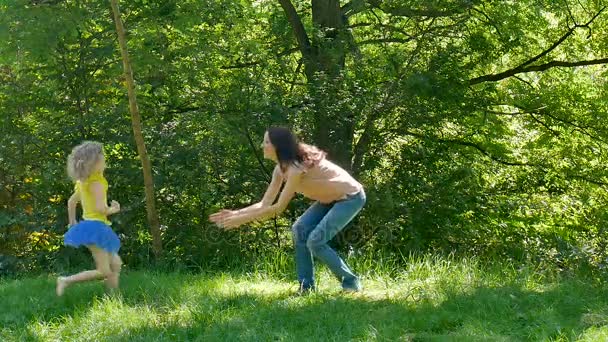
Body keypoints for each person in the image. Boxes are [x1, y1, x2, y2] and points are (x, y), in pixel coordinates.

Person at [210, 127, 366, 293]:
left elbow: (278, 208)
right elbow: (265, 203)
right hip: (329, 199)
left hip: (351, 197)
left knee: (315, 241)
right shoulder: (280, 170)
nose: (262, 145)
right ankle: (306, 287)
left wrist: (241, 220)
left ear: (279, 146)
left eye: (267, 142)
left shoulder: (295, 169)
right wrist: (235, 214)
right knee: (300, 230)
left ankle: (351, 283)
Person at [56, 141, 122, 296]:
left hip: (89, 227)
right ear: (96, 162)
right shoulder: (97, 183)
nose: (105, 159)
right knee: (104, 270)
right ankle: (65, 280)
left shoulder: (84, 182)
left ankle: (113, 299)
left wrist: (72, 223)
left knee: (116, 264)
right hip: (97, 229)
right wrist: (114, 209)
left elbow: (71, 202)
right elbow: (101, 209)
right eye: (103, 157)